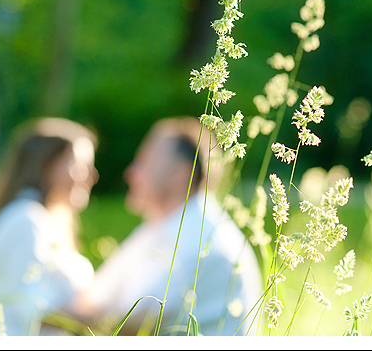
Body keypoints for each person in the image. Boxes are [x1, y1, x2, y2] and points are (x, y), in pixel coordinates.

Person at [86, 117, 262, 336]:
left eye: (144, 162)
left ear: (180, 174)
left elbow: (140, 325)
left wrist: (44, 314)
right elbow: (95, 298)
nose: (130, 173)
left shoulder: (206, 241)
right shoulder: (155, 230)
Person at [0, 117, 99, 336]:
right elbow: (30, 308)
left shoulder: (42, 221)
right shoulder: (26, 221)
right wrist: (107, 321)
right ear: (46, 164)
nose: (91, 176)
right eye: (79, 165)